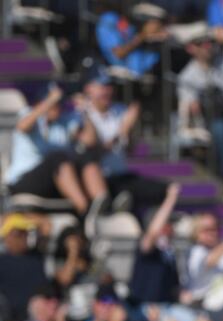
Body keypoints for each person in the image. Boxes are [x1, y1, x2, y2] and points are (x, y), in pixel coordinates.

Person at [5, 85, 109, 224]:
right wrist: (49, 101)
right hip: (24, 181)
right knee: (58, 158)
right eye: (54, 104)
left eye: (59, 104)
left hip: (54, 182)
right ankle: (85, 210)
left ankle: (101, 206)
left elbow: (90, 141)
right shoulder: (29, 114)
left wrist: (85, 111)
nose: (57, 107)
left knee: (85, 156)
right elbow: (22, 127)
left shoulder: (64, 122)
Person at [78, 69, 171, 212]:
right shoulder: (80, 113)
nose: (107, 91)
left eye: (109, 87)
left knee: (167, 190)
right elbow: (91, 153)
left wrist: (131, 132)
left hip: (120, 175)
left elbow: (129, 150)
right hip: (99, 180)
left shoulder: (119, 110)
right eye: (102, 87)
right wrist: (122, 131)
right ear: (88, 88)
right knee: (122, 195)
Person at [95, 3, 168, 77]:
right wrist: (143, 34)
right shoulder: (109, 19)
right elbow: (117, 54)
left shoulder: (135, 14)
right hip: (128, 74)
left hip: (153, 65)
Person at [0, 214, 48, 321]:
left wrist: (25, 218)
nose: (24, 237)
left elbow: (46, 225)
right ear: (7, 236)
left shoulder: (36, 256)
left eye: (26, 233)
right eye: (19, 233)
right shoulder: (2, 261)